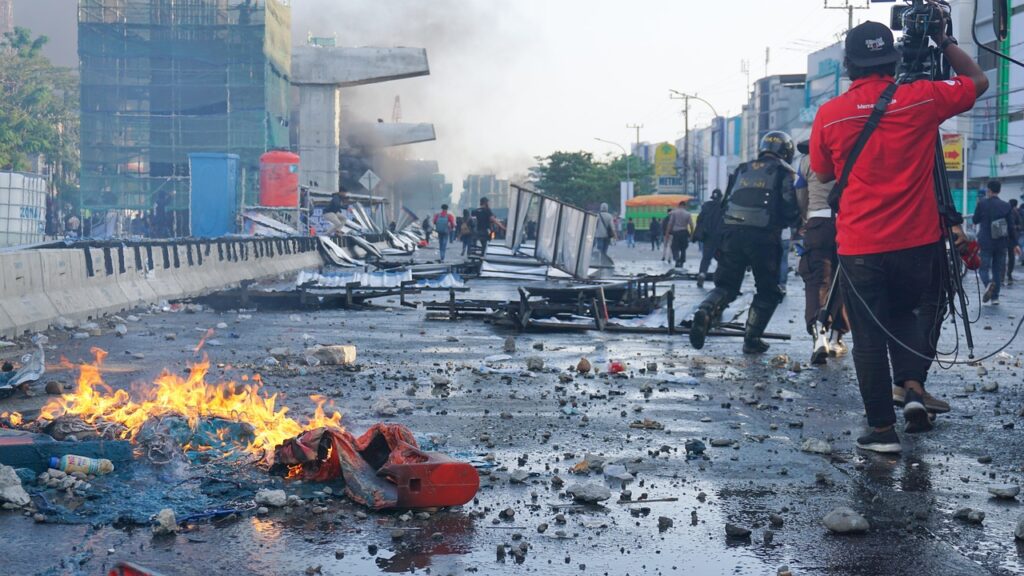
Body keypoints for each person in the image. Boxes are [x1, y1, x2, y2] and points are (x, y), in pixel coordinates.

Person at [810, 17, 988, 452]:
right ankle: (912, 390)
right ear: (891, 61)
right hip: (917, 243)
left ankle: (882, 431)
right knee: (908, 315)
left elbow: (824, 171)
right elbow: (977, 80)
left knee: (869, 339)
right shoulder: (922, 98)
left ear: (849, 65)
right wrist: (944, 41)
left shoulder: (829, 115)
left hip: (860, 245)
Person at [689, 131, 800, 355]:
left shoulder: (741, 169)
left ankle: (705, 310)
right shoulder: (784, 171)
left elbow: (725, 203)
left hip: (731, 233)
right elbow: (789, 207)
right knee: (768, 290)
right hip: (764, 237)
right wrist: (796, 222)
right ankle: (752, 338)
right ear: (786, 152)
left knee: (726, 286)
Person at [795, 139, 848, 365]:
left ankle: (819, 335)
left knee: (818, 281)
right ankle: (837, 338)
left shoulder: (807, 161)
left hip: (818, 224)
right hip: (849, 224)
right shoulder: (849, 156)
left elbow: (800, 193)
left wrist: (806, 218)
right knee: (844, 280)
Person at [973, 180, 1018, 305]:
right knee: (997, 270)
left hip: (986, 242)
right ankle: (995, 298)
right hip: (1001, 243)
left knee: (983, 269)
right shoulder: (1006, 205)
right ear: (999, 190)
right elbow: (1011, 226)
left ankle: (988, 285)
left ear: (989, 190)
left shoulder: (982, 204)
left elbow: (975, 220)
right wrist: (1015, 244)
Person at [692, 189, 724, 288]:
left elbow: (699, 220)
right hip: (720, 236)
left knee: (706, 258)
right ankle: (719, 278)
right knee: (722, 259)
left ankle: (702, 273)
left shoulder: (706, 206)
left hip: (708, 236)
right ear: (720, 197)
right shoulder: (724, 207)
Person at [664, 201, 693, 268]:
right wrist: (692, 234)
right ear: (684, 206)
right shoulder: (688, 214)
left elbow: (670, 224)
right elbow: (691, 225)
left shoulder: (674, 213)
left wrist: (667, 233)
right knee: (683, 248)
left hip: (676, 232)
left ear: (679, 205)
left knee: (674, 247)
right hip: (684, 232)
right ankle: (682, 261)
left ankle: (677, 259)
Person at [1007, 198, 1022, 285]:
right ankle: (1009, 274)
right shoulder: (1016, 213)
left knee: (1003, 256)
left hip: (1004, 237)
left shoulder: (1006, 211)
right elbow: (1020, 225)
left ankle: (1003, 275)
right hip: (1012, 238)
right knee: (1011, 257)